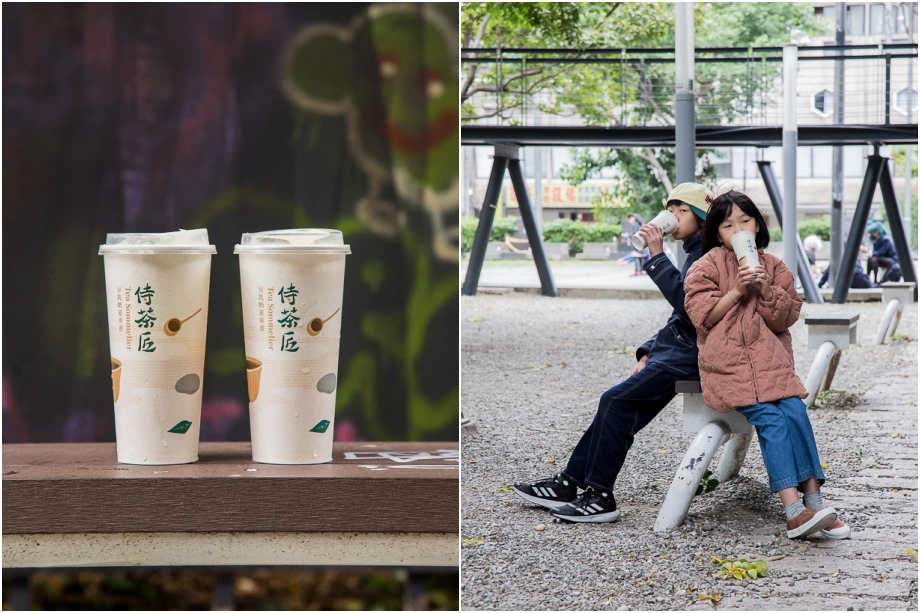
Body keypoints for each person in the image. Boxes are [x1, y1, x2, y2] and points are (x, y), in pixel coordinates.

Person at [513, 182, 714, 523]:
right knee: (619, 410)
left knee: (615, 401)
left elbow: (691, 308)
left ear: (701, 218)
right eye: (672, 208)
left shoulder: (708, 254)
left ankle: (600, 496)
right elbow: (681, 315)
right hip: (677, 351)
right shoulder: (696, 250)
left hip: (690, 356)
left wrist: (657, 256)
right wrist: (649, 351)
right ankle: (570, 482)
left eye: (683, 211)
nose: (675, 216)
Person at [683, 190, 850, 540]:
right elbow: (702, 317)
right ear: (717, 233)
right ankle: (793, 511)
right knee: (773, 420)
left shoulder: (774, 267)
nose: (738, 229)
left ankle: (815, 504)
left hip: (772, 365)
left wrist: (768, 291)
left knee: (795, 412)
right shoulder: (706, 266)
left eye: (744, 221)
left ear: (757, 225)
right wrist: (736, 292)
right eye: (728, 225)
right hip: (728, 367)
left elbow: (785, 319)